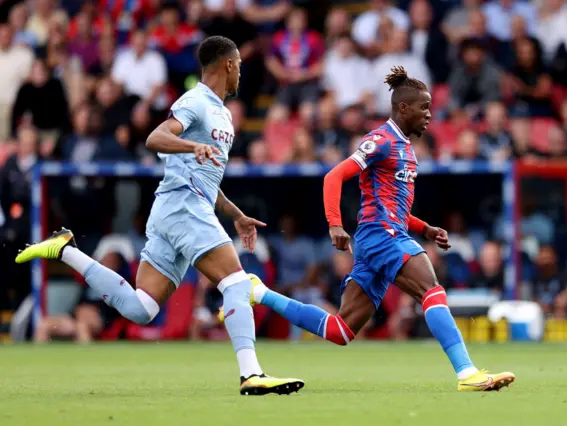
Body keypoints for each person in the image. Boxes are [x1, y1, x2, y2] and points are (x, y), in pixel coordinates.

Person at [15, 36, 303, 396]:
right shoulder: (194, 101)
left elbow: (207, 177)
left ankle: (65, 249)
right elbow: (156, 137)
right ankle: (251, 374)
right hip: (183, 205)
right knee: (236, 283)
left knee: (142, 308)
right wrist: (192, 144)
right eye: (240, 66)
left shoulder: (224, 114)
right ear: (228, 64)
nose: (241, 74)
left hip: (178, 206)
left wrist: (235, 214)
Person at [220, 67, 515, 392]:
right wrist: (335, 223)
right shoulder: (380, 140)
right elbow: (333, 176)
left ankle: (257, 292)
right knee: (431, 290)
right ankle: (467, 373)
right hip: (380, 235)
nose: (429, 115)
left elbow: (394, 206)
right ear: (403, 108)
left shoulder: (406, 149)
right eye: (424, 107)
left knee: (340, 330)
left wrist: (426, 228)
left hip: (385, 234)